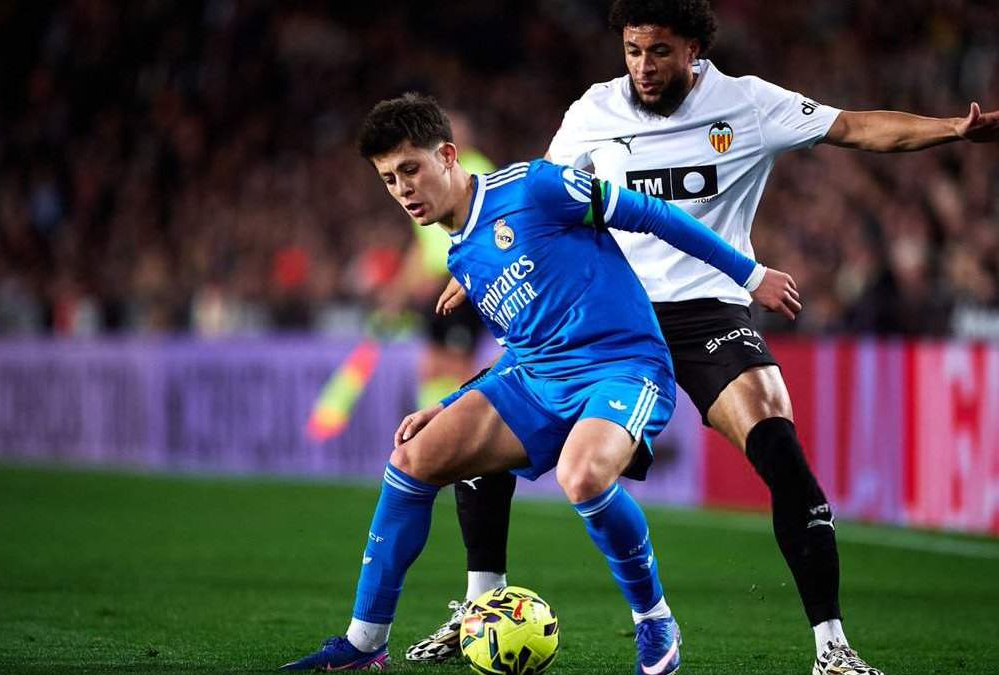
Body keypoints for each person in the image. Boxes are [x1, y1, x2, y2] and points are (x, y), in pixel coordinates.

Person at [410, 2, 999, 674]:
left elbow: (854, 127)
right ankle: (481, 609)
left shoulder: (747, 104)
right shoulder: (593, 111)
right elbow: (536, 200)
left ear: (694, 49)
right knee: (477, 435)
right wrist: (482, 267)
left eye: (658, 52)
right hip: (606, 316)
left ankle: (832, 648)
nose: (643, 68)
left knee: (779, 448)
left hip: (706, 312)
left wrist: (952, 129)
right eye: (631, 51)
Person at [281, 92, 800, 672]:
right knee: (411, 459)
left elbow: (651, 216)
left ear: (448, 156)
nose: (402, 189)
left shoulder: (533, 187)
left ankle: (654, 620)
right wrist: (453, 404)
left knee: (581, 475)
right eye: (388, 179)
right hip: (537, 378)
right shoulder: (460, 255)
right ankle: (364, 645)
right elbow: (525, 345)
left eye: (410, 169)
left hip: (622, 366)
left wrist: (749, 274)